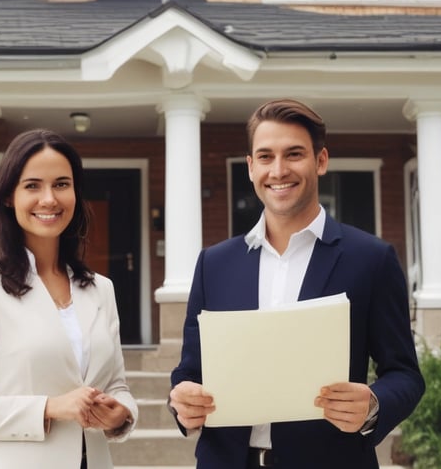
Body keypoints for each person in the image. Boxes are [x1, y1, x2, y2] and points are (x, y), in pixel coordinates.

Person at [169, 99, 425, 468]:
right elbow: (189, 372)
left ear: (320, 161)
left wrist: (373, 404)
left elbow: (405, 374)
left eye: (293, 154)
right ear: (250, 166)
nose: (278, 170)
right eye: (265, 156)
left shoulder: (371, 259)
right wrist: (183, 400)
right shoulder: (214, 264)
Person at [0, 129, 137, 469]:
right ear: (8, 197)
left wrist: (121, 415)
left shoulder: (100, 288)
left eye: (61, 184)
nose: (49, 199)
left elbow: (116, 385)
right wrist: (48, 407)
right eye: (32, 185)